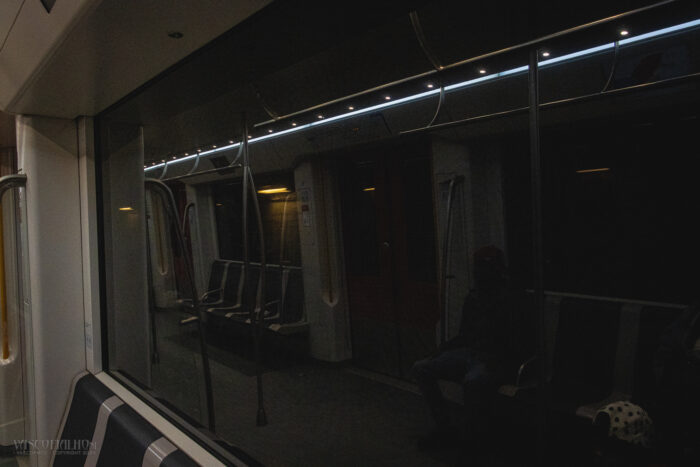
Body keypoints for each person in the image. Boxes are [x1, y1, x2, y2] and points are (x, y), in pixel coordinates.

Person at [411, 245, 514, 450]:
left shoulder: (511, 299)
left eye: (484, 268)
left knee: (472, 381)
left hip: (495, 357)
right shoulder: (474, 298)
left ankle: (471, 438)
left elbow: (518, 340)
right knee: (421, 368)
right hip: (470, 352)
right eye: (478, 268)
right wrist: (443, 349)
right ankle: (445, 426)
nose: (479, 273)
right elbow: (464, 335)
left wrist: (497, 358)